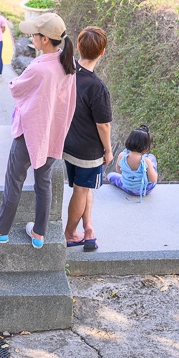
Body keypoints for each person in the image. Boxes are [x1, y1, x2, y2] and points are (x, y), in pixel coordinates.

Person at [0, 13, 76, 248]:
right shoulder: (68, 65)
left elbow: (16, 90)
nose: (31, 37)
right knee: (44, 182)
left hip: (30, 133)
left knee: (14, 180)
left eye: (34, 34)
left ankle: (0, 231)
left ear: (45, 39)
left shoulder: (39, 68)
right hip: (53, 133)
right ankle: (39, 233)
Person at [62, 26, 112, 252]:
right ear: (102, 53)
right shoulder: (97, 87)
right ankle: (71, 234)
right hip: (87, 151)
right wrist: (108, 150)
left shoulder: (67, 71)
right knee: (81, 190)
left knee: (85, 187)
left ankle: (88, 227)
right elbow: (103, 125)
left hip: (67, 144)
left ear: (79, 47)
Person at [107, 125, 158, 200]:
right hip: (144, 190)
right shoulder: (146, 161)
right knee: (152, 158)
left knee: (110, 175)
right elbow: (153, 180)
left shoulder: (122, 155)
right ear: (146, 147)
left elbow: (119, 171)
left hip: (127, 187)